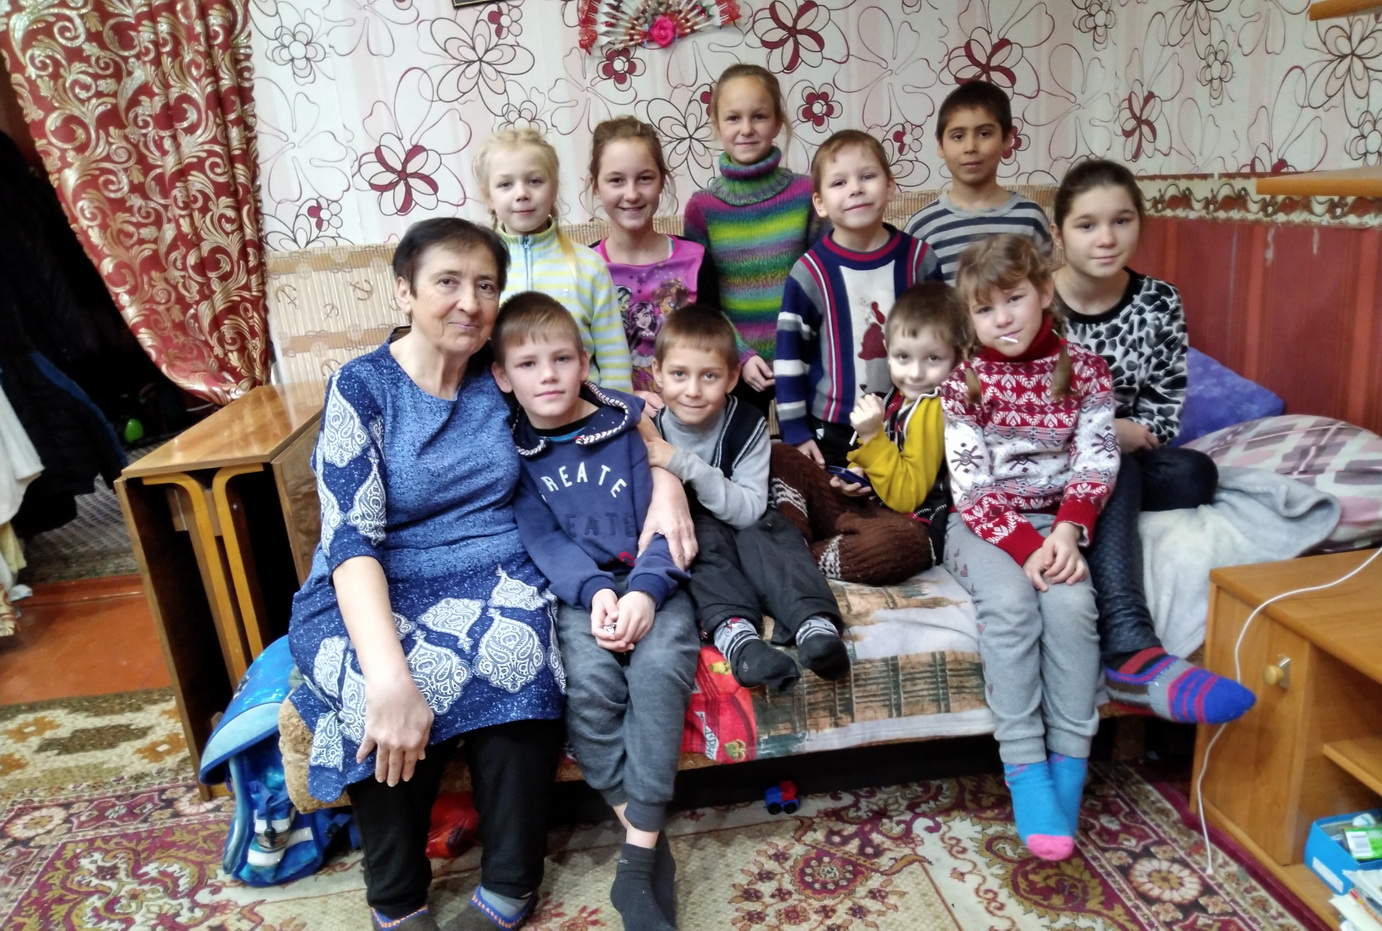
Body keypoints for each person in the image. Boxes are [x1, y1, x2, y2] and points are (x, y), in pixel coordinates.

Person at [285, 218, 568, 931]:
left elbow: (605, 410)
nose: (470, 302)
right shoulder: (363, 387)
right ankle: (397, 895)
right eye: (448, 282)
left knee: (519, 649)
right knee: (371, 688)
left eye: (486, 286)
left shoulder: (502, 371)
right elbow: (351, 540)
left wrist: (663, 471)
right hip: (373, 575)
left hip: (493, 567)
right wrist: (389, 679)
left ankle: (511, 880)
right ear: (404, 291)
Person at [491, 292, 698, 931]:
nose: (548, 375)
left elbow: (662, 526)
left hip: (652, 583)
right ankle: (646, 843)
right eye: (527, 364)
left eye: (561, 359)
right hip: (581, 595)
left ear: (585, 363)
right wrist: (595, 593)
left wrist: (644, 591)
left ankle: (632, 868)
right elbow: (544, 542)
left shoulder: (624, 428)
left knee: (658, 672)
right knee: (586, 688)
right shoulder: (514, 455)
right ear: (502, 377)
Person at [1052, 158, 1256, 725]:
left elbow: (1162, 414)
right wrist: (1101, 429)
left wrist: (1118, 435)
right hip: (1046, 460)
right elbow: (1014, 410)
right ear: (1059, 234)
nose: (1106, 238)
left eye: (1121, 221)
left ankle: (1106, 498)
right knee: (1112, 459)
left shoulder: (1159, 301)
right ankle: (1129, 645)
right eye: (1087, 225)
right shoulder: (1034, 302)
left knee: (1195, 474)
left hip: (1128, 456)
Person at [942, 233, 1119, 862]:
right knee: (1014, 607)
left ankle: (1069, 764)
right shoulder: (963, 382)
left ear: (1044, 291)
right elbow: (970, 485)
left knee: (1072, 608)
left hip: (1058, 524)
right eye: (985, 309)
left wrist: (1067, 530)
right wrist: (1024, 547)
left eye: (1014, 299)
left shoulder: (1087, 370)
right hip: (982, 527)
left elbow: (1097, 457)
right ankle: (1025, 768)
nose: (1003, 318)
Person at [645, 305, 850, 693]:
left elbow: (748, 510)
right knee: (693, 549)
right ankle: (740, 640)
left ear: (732, 376)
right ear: (657, 372)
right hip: (700, 532)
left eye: (709, 376)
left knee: (773, 531)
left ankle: (814, 625)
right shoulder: (652, 432)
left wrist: (686, 465)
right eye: (678, 374)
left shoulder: (748, 423)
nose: (692, 390)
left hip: (747, 519)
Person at [770, 280, 965, 582]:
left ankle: (801, 556)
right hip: (872, 507)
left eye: (933, 359)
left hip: (912, 524)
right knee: (781, 455)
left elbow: (907, 498)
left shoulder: (933, 407)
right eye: (903, 357)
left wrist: (873, 436)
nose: (915, 373)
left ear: (957, 356)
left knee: (885, 548)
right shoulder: (895, 396)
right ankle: (799, 540)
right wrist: (855, 476)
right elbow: (873, 459)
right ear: (888, 350)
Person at [774, 129, 942, 468]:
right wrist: (795, 430)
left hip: (914, 418)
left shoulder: (920, 260)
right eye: (839, 183)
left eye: (867, 176)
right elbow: (790, 357)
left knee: (910, 494)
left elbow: (948, 340)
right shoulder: (810, 272)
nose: (855, 188)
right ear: (820, 203)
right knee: (838, 494)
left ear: (890, 186)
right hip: (833, 426)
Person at [682, 63, 818, 410]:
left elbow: (824, 282)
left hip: (806, 360)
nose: (746, 129)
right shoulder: (702, 208)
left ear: (777, 122)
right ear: (716, 125)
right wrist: (741, 356)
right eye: (733, 118)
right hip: (735, 367)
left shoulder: (807, 194)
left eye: (758, 116)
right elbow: (703, 303)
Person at [473, 128, 632, 392]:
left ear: (554, 188)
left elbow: (613, 356)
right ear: (489, 196)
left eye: (534, 181)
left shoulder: (588, 266)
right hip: (505, 410)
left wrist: (617, 408)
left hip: (585, 409)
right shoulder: (479, 271)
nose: (522, 193)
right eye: (505, 184)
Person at [588, 116, 719, 402]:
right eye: (616, 180)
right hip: (616, 415)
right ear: (596, 185)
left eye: (644, 178)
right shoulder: (585, 267)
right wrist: (628, 400)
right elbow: (580, 363)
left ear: (662, 181)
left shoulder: (697, 260)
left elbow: (715, 353)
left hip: (692, 410)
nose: (632, 194)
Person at [903, 81, 1052, 283]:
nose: (970, 147)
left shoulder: (1031, 218)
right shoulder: (923, 226)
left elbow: (1043, 290)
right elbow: (914, 299)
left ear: (1007, 139)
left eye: (984, 134)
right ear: (940, 145)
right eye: (958, 136)